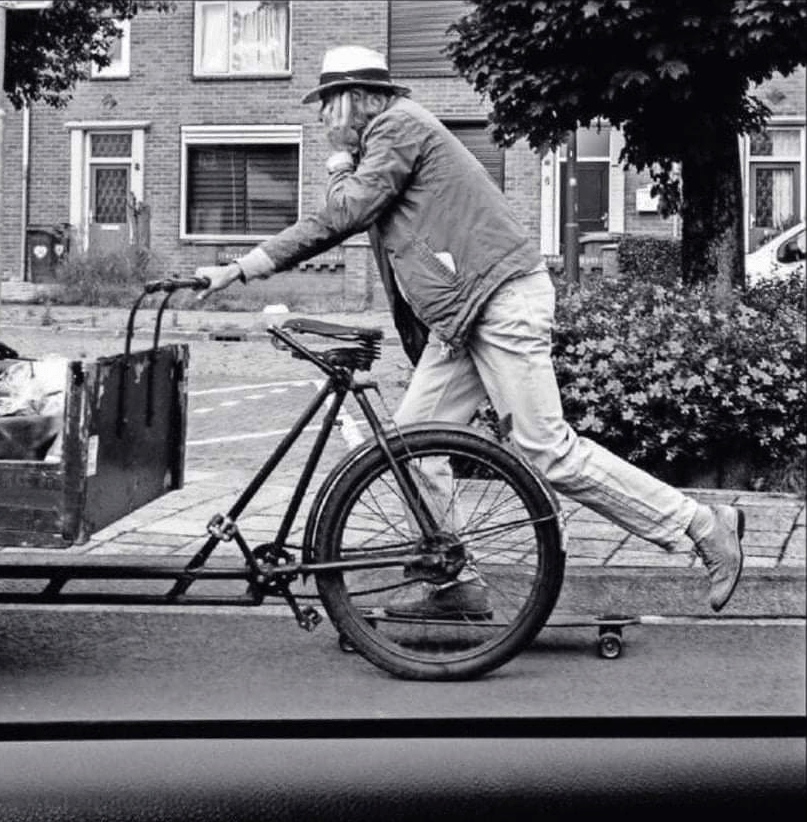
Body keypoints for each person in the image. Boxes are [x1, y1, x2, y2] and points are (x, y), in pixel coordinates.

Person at [195, 45, 744, 618]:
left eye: (327, 102)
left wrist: (242, 265)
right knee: (407, 448)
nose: (323, 117)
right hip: (465, 317)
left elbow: (344, 214)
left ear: (355, 98)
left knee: (548, 450)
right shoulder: (384, 145)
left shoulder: (400, 126)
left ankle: (704, 526)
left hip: (500, 301)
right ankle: (454, 584)